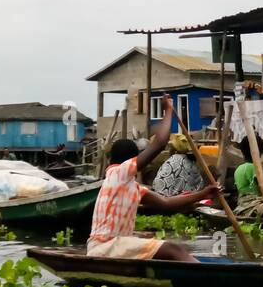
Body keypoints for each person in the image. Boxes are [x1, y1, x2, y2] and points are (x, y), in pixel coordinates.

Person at [88, 95, 218, 261]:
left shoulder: (129, 185)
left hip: (109, 247)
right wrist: (168, 110)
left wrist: (203, 194)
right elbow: (159, 143)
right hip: (106, 246)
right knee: (173, 249)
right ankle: (206, 278)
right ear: (131, 160)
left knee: (161, 246)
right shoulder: (118, 173)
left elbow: (166, 202)